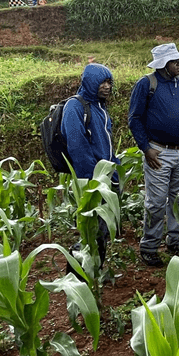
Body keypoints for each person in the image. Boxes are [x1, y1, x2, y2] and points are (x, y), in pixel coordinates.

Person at [127, 43, 179, 268]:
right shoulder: (147, 84)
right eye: (175, 61)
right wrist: (146, 148)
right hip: (159, 152)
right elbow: (134, 119)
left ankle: (175, 241)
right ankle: (149, 246)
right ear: (163, 64)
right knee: (156, 202)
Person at [61, 63, 119, 267]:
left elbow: (107, 144)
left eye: (109, 82)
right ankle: (77, 275)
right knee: (91, 230)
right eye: (101, 82)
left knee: (101, 231)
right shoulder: (75, 107)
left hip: (105, 178)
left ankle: (95, 270)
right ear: (89, 82)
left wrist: (115, 171)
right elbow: (77, 148)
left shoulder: (100, 108)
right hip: (91, 181)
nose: (106, 86)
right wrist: (94, 181)